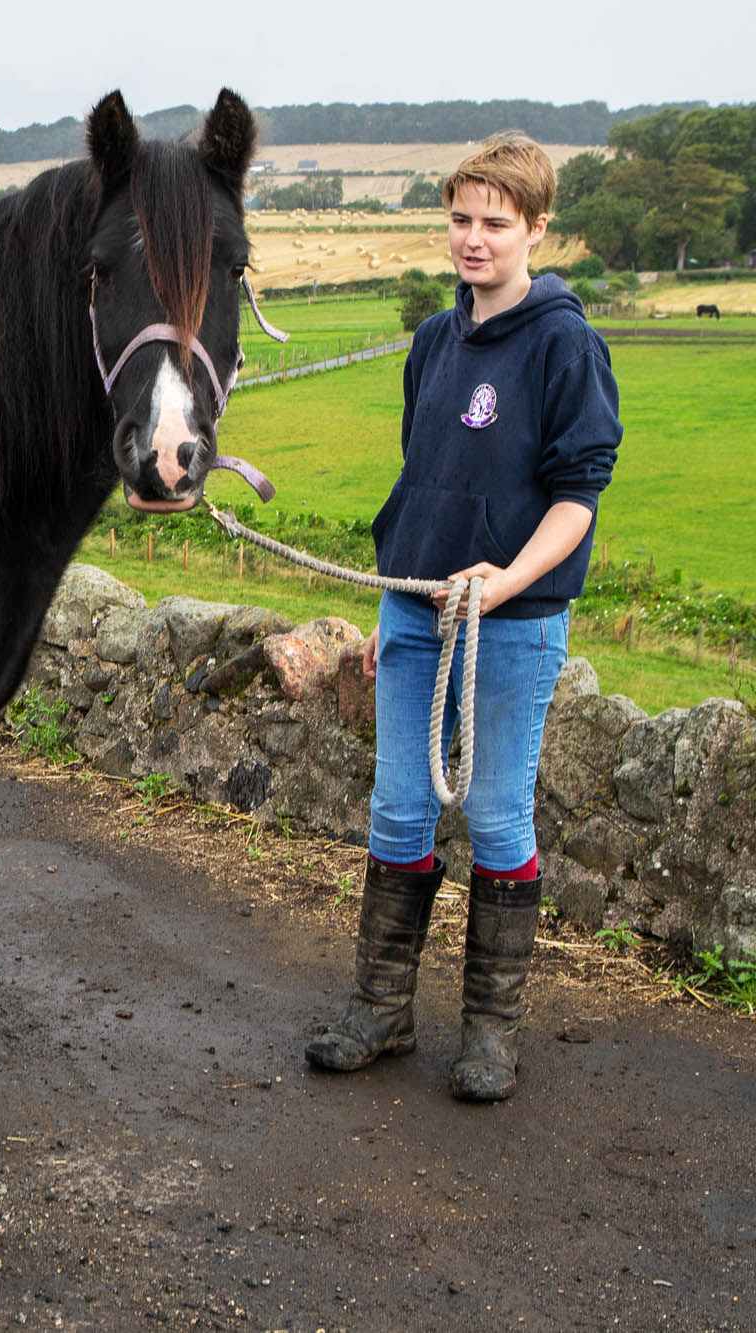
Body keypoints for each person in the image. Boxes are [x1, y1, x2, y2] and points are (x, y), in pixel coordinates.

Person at [305, 132, 621, 1101]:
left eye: (493, 222)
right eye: (459, 219)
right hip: (411, 615)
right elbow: (421, 483)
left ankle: (488, 1033)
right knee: (398, 805)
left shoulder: (565, 343)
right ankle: (381, 1008)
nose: (471, 239)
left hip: (510, 625)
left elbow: (576, 500)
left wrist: (502, 576)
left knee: (491, 815)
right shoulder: (434, 342)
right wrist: (387, 601)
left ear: (535, 227)